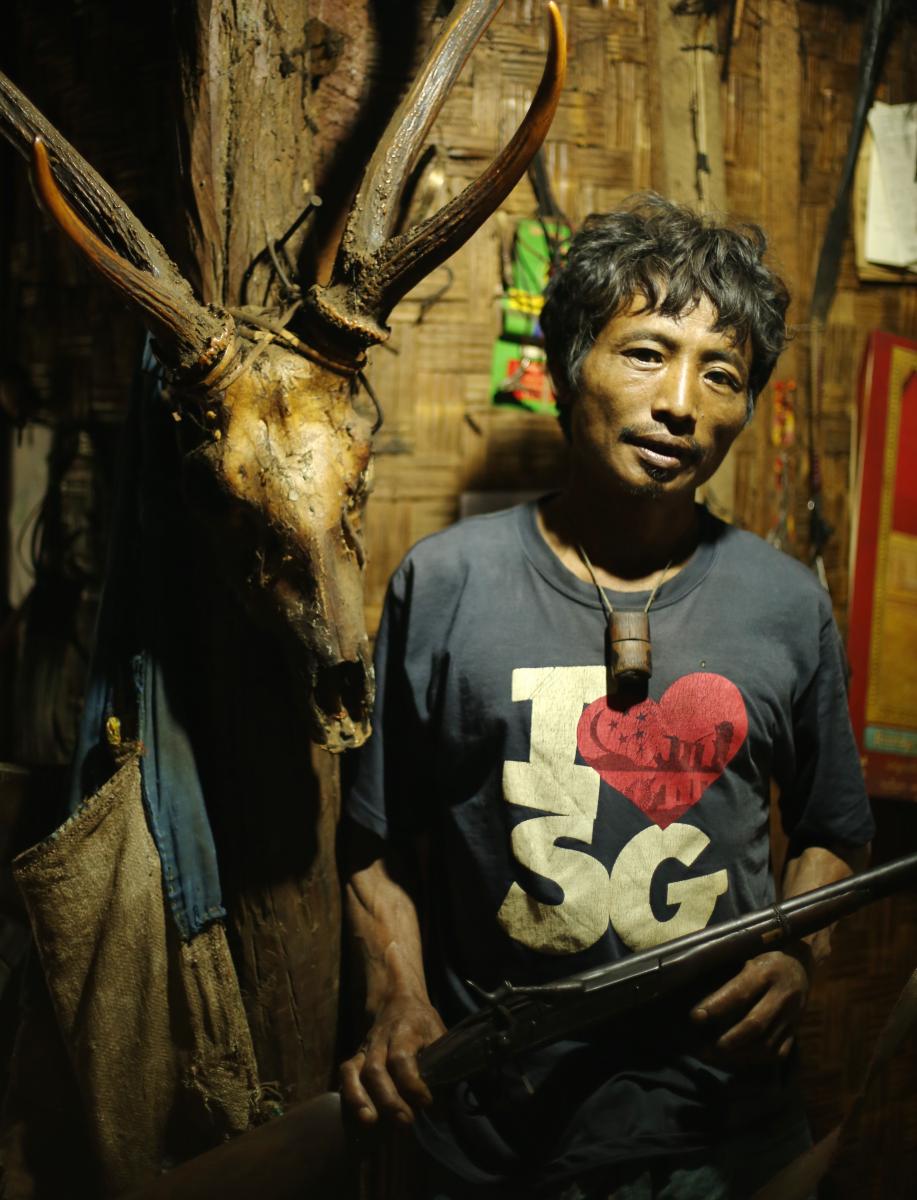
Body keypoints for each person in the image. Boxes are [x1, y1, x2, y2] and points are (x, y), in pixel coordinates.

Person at [338, 195, 874, 1199]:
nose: (680, 401)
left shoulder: (782, 603)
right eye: (644, 353)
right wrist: (397, 995)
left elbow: (833, 830)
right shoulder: (445, 585)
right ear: (563, 365)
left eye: (720, 373)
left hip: (724, 1134)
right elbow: (375, 838)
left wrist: (798, 948)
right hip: (489, 1140)